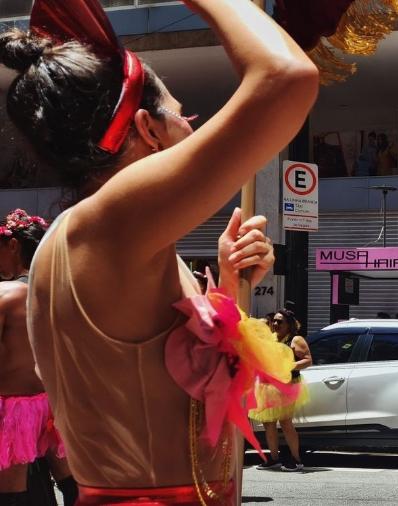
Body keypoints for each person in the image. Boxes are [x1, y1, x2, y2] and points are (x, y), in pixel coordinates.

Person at [5, 0, 317, 502]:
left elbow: (178, 397)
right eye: (183, 116)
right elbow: (286, 78)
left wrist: (231, 286)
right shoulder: (107, 225)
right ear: (148, 129)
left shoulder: (101, 238)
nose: (192, 129)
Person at [0, 209, 77, 506]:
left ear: (14, 246)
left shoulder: (5, 295)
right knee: (71, 482)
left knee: (12, 494)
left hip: (13, 410)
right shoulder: (60, 292)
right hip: (51, 404)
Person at [251, 309, 312, 472]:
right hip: (269, 384)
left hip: (288, 384)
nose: (276, 324)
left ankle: (297, 460)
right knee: (268, 422)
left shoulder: (295, 339)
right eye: (275, 321)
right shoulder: (271, 338)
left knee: (285, 422)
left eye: (280, 321)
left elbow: (308, 360)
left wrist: (287, 366)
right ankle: (274, 458)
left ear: (289, 324)